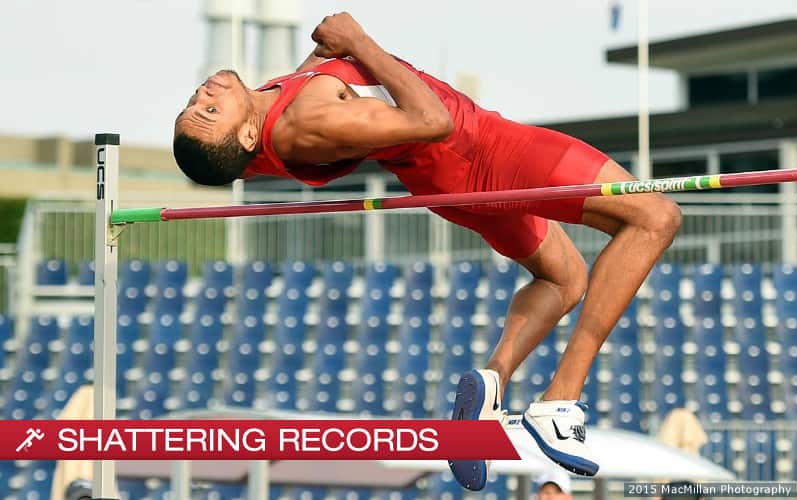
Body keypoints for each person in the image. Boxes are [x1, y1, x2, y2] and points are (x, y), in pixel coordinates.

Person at [172, 12, 682, 491]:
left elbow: (275, 120)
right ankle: (560, 400)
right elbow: (433, 120)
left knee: (564, 278)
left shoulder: (272, 106)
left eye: (193, 105)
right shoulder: (306, 122)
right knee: (653, 217)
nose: (202, 94)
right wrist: (359, 42)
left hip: (445, 178)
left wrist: (330, 51)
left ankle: (491, 387)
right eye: (209, 111)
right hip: (481, 152)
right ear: (246, 134)